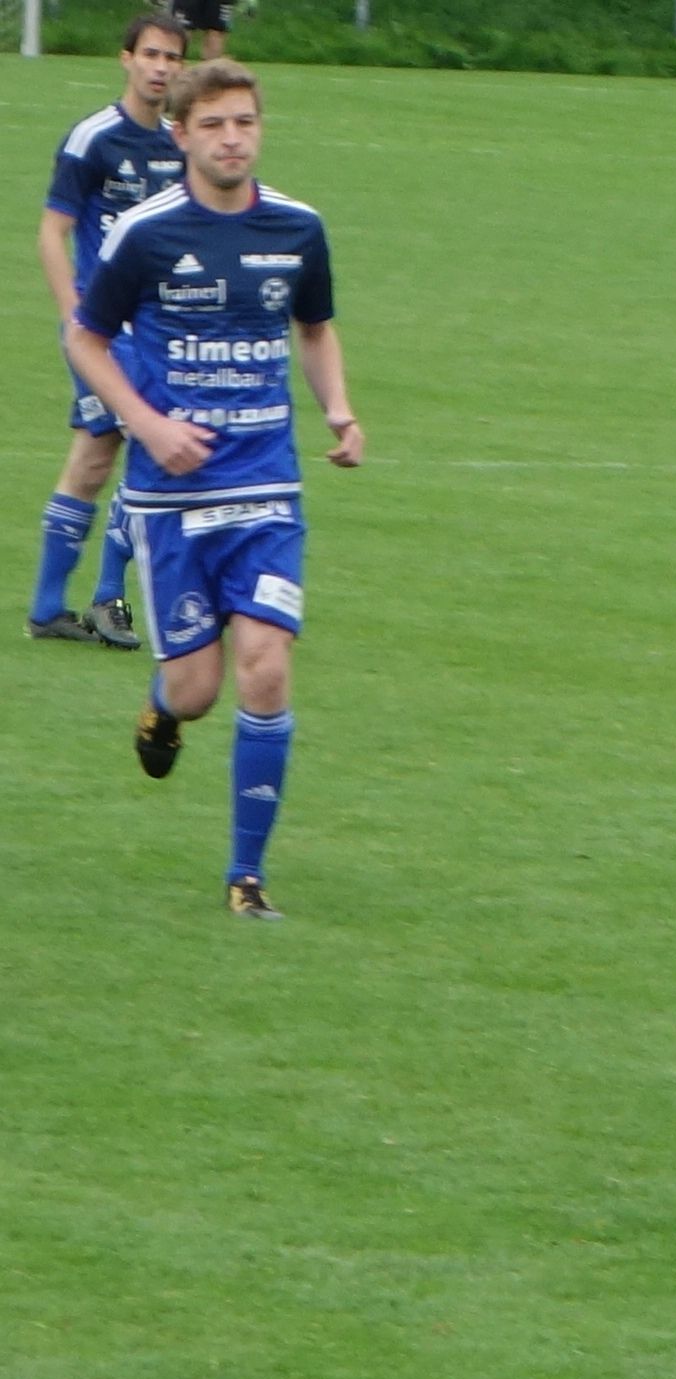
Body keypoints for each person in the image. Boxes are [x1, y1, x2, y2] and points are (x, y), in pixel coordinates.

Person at [66, 59, 364, 919]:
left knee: (265, 667)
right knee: (198, 689)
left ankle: (246, 877)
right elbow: (86, 338)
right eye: (214, 125)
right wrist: (146, 424)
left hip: (268, 488)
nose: (233, 139)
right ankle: (163, 709)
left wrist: (339, 410)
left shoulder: (298, 227)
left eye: (245, 122)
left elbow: (315, 328)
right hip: (172, 499)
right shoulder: (147, 233)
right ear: (182, 135)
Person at [28, 12, 188, 649]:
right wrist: (74, 316)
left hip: (158, 330)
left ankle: (55, 607)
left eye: (171, 58)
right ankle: (104, 599)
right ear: (126, 59)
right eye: (150, 54)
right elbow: (52, 232)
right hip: (102, 331)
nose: (160, 68)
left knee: (96, 458)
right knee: (144, 447)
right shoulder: (92, 138)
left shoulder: (180, 145)